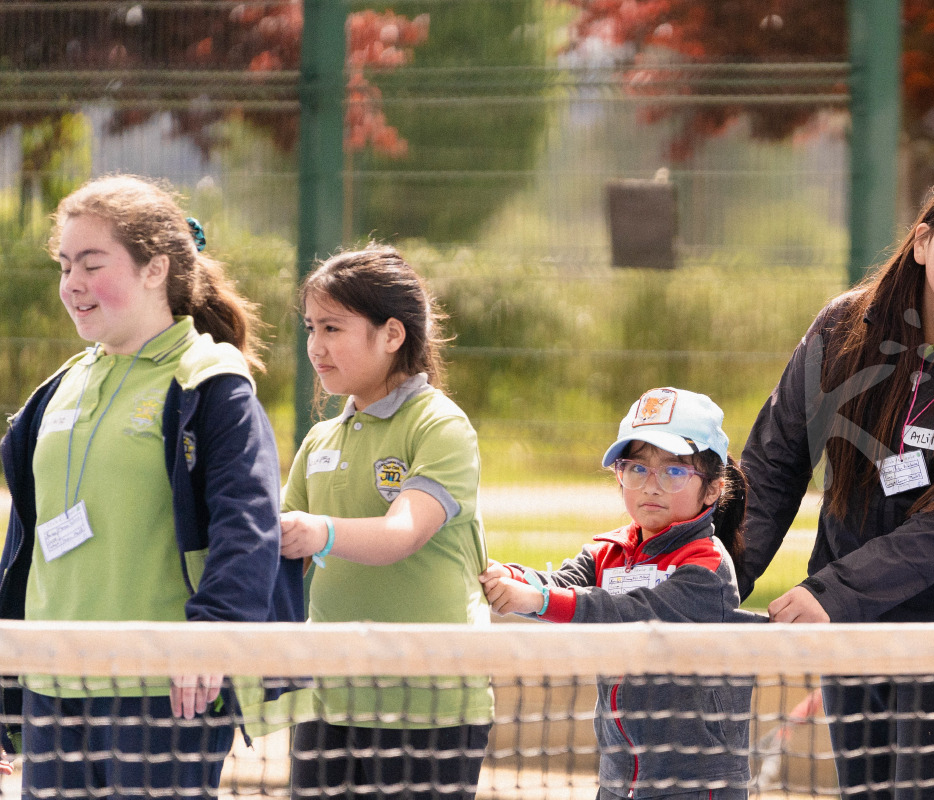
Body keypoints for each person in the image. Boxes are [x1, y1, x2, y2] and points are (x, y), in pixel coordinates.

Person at [737, 169, 934, 800]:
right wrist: (717, 577)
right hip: (855, 624)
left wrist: (834, 591)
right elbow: (773, 467)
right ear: (921, 241)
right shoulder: (840, 330)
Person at [0, 175, 301, 797]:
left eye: (91, 263)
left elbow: (248, 525)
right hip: (50, 685)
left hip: (162, 690)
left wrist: (211, 635)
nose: (72, 284)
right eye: (64, 266)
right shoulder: (56, 391)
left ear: (154, 268)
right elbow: (23, 545)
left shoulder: (212, 381)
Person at [277, 246, 492, 800]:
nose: (315, 347)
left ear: (392, 334)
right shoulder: (320, 439)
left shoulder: (440, 425)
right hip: (329, 700)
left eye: (333, 327)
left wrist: (319, 531)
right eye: (310, 328)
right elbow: (277, 549)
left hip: (429, 705)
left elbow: (402, 534)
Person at [480, 386, 757, 800]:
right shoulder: (608, 551)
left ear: (713, 489)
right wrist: (512, 576)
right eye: (636, 469)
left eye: (674, 471)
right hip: (619, 778)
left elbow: (631, 614)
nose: (651, 486)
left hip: (696, 783)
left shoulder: (708, 567)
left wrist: (534, 600)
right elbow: (561, 584)